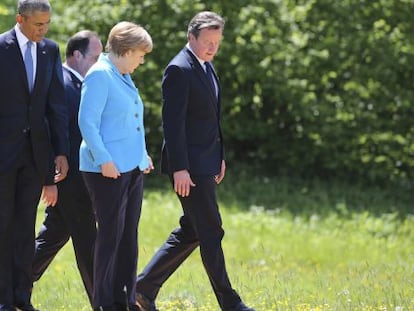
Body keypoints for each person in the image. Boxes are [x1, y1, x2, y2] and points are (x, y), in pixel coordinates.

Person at [134, 11, 255, 311]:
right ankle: (230, 302)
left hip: (207, 162)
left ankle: (142, 289)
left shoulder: (206, 66)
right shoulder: (178, 69)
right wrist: (180, 168)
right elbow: (172, 124)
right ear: (192, 37)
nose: (213, 48)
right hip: (189, 167)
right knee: (211, 230)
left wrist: (220, 156)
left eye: (217, 42)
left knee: (193, 230)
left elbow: (210, 119)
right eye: (208, 42)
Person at [78, 21, 154, 311]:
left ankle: (124, 299)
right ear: (126, 50)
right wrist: (104, 159)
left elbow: (131, 120)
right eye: (140, 54)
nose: (142, 60)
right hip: (106, 170)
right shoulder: (99, 74)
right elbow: (88, 122)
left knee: (127, 237)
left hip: (130, 168)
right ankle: (104, 304)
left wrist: (142, 154)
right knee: (110, 238)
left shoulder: (122, 75)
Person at [0, 0, 69, 310]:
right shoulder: (1, 47)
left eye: (47, 24)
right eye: (38, 24)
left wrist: (61, 152)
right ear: (20, 19)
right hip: (3, 154)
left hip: (35, 155)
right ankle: (2, 298)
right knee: (2, 224)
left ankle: (21, 298)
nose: (44, 29)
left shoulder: (50, 50)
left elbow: (56, 104)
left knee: (26, 227)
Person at [32, 30, 103, 307]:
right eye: (95, 57)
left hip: (75, 179)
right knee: (88, 242)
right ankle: (105, 301)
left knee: (51, 238)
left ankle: (12, 286)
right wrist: (49, 178)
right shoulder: (61, 83)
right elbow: (50, 132)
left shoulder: (79, 84)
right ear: (76, 55)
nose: (98, 62)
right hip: (69, 180)